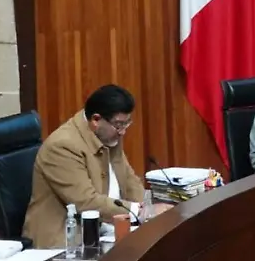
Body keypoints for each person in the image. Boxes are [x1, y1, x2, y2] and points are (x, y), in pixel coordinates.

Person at [23, 85, 171, 248]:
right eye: (119, 125)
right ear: (96, 120)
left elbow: (128, 180)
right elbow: (86, 202)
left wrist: (148, 208)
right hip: (63, 244)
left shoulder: (108, 134)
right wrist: (138, 211)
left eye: (127, 124)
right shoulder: (62, 146)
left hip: (103, 232)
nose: (122, 132)